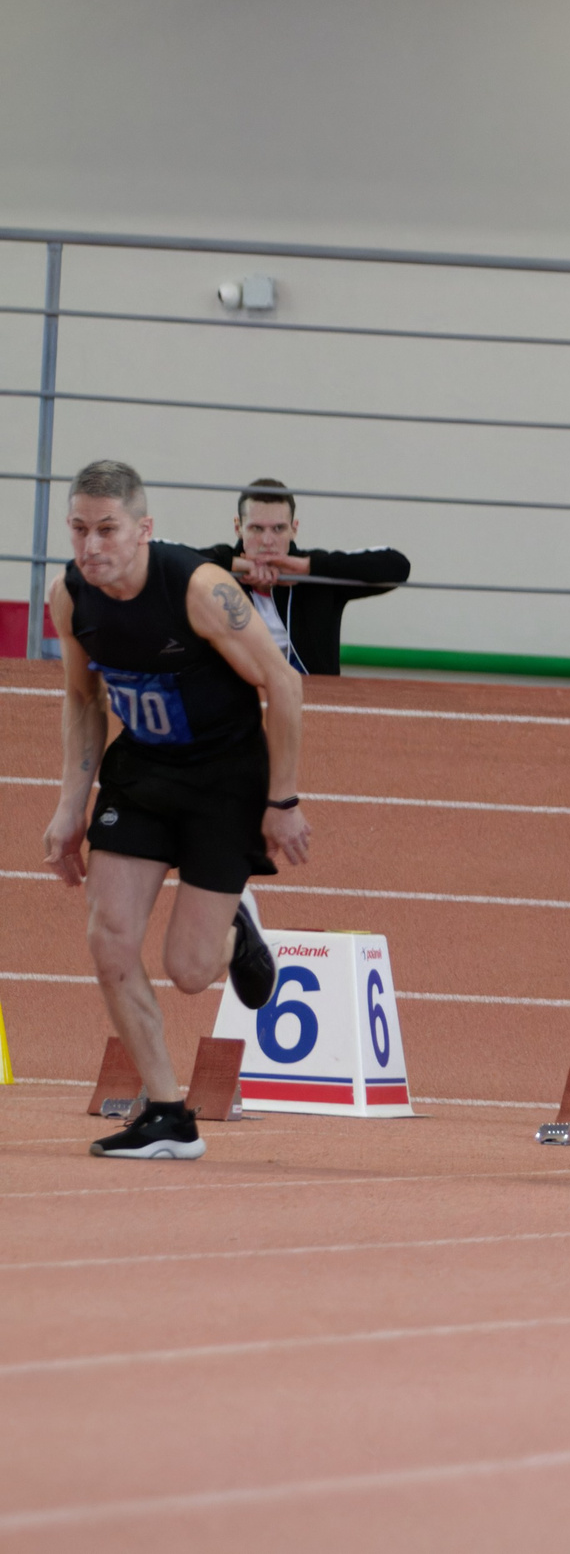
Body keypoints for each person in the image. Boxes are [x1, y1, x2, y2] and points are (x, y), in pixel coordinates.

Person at [38, 460, 307, 1160]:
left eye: (107, 529)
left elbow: (283, 685)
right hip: (144, 776)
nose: (91, 546)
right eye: (78, 529)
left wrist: (281, 801)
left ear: (143, 529)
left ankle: (233, 929)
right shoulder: (70, 597)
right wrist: (71, 806)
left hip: (224, 780)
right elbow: (82, 699)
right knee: (109, 939)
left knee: (189, 969)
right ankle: (167, 1114)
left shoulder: (199, 589)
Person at [195, 478, 411, 677]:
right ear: (238, 528)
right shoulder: (216, 569)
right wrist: (230, 565)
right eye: (257, 528)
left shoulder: (316, 573)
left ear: (293, 529)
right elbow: (168, 559)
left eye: (278, 528)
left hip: (313, 700)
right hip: (237, 698)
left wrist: (309, 566)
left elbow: (397, 566)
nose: (267, 541)